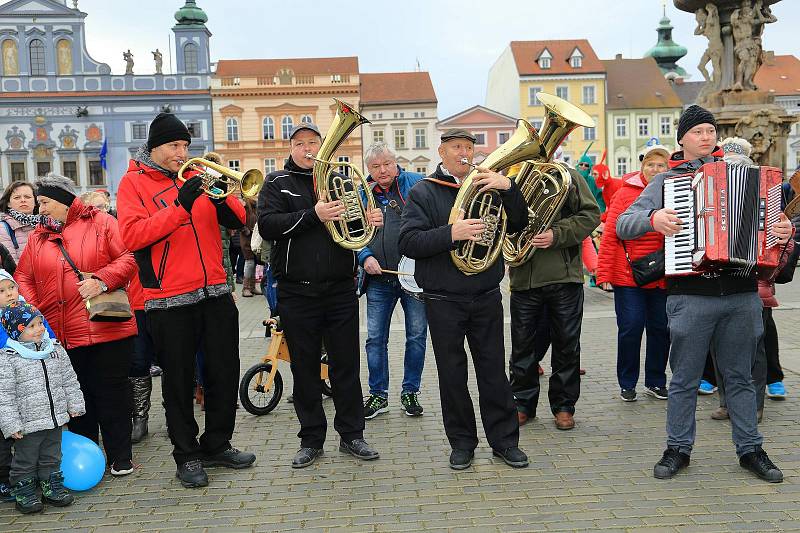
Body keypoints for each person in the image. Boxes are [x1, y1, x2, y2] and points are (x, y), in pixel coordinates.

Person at [616, 104, 793, 482]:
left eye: (711, 130)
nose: (707, 136)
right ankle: (678, 448)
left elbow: (773, 224)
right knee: (684, 377)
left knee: (741, 377)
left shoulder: (748, 175)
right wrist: (654, 219)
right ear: (682, 138)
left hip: (742, 292)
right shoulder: (666, 182)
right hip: (690, 293)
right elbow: (624, 224)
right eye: (698, 131)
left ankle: (750, 449)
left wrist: (783, 231)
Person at [116, 112, 255, 488]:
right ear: (155, 147)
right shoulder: (132, 184)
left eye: (185, 146)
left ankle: (217, 443)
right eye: (175, 146)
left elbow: (240, 219)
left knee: (223, 373)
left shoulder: (196, 177)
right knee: (178, 381)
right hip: (169, 298)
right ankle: (187, 455)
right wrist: (179, 207)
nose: (182, 152)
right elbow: (133, 236)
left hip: (215, 292)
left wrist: (226, 197)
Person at [398, 128, 529, 470]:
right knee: (452, 375)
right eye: (456, 147)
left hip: (485, 294)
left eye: (468, 147)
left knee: (494, 373)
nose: (463, 153)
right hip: (444, 299)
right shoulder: (424, 192)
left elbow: (519, 224)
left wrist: (510, 189)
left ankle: (504, 442)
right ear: (441, 152)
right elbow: (409, 242)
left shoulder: (489, 185)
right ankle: (462, 444)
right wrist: (451, 234)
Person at [258, 122, 382, 469]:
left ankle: (352, 435)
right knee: (306, 369)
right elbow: (268, 225)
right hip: (298, 292)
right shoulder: (276, 183)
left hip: (341, 289)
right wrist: (313, 214)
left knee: (346, 366)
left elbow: (354, 231)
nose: (309, 149)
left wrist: (371, 221)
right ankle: (311, 440)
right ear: (292, 148)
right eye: (302, 144)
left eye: (315, 143)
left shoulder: (339, 181)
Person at [15, 175, 138, 477]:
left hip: (106, 327)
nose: (39, 209)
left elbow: (129, 258)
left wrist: (101, 280)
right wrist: (37, 311)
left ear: (63, 200)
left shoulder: (102, 222)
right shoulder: (38, 236)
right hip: (61, 332)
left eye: (44, 202)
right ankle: (89, 455)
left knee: (112, 394)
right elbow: (24, 277)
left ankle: (121, 456)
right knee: (78, 399)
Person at [508, 144, 600, 430]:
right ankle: (522, 403)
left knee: (566, 345)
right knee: (523, 346)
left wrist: (556, 234)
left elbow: (590, 216)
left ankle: (563, 406)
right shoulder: (513, 182)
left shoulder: (570, 177)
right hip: (524, 278)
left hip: (564, 277)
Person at [357, 142, 427, 419]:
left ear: (395, 161)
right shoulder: (362, 193)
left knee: (417, 337)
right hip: (378, 279)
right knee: (375, 340)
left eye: (387, 164)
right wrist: (364, 257)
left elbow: (434, 221)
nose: (382, 170)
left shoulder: (418, 184)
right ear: (368, 169)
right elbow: (351, 232)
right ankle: (378, 395)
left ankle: (411, 392)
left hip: (414, 277)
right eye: (375, 167)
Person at [597, 144, 670, 402]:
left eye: (661, 165)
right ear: (642, 166)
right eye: (650, 164)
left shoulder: (673, 191)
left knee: (661, 328)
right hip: (629, 274)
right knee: (631, 327)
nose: (655, 169)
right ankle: (627, 383)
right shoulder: (625, 192)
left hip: (662, 274)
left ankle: (656, 381)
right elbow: (610, 235)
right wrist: (603, 274)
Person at [0, 302, 85, 514]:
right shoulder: (9, 358)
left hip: (54, 417)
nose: (39, 328)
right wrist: (10, 424)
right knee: (25, 459)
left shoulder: (55, 349)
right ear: (15, 331)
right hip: (28, 423)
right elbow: (4, 395)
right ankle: (24, 491)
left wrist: (74, 404)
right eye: (31, 326)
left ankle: (51, 487)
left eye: (40, 323)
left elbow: (69, 379)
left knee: (52, 456)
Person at [0, 269, 58, 503]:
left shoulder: (29, 311)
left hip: (34, 389)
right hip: (8, 385)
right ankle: (7, 480)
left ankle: (40, 480)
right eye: (2, 291)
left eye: (11, 287)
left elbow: (49, 338)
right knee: (6, 441)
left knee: (36, 441)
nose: (9, 294)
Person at [0, 181, 38, 265]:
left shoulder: (47, 224)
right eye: (17, 197)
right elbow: (11, 265)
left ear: (35, 201)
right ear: (8, 203)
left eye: (27, 197)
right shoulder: (3, 228)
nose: (23, 200)